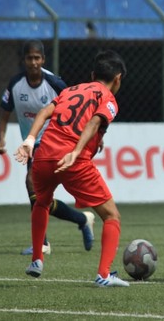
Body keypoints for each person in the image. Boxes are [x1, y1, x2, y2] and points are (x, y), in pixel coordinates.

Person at [14, 50, 129, 287]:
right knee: (111, 216)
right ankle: (104, 275)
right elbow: (95, 121)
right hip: (72, 160)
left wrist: (29, 139)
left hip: (43, 154)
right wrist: (76, 151)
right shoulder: (109, 99)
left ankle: (37, 259)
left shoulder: (71, 89)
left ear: (92, 74)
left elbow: (46, 112)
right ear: (117, 78)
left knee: (41, 202)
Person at [0, 39, 95, 255]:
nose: (33, 62)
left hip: (53, 140)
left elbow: (78, 105)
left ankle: (42, 243)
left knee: (32, 184)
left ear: (43, 59)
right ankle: (81, 219)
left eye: (37, 58)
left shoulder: (54, 83)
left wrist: (93, 132)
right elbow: (4, 115)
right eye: (29, 58)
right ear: (24, 60)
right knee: (39, 196)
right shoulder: (15, 85)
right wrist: (2, 139)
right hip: (32, 143)